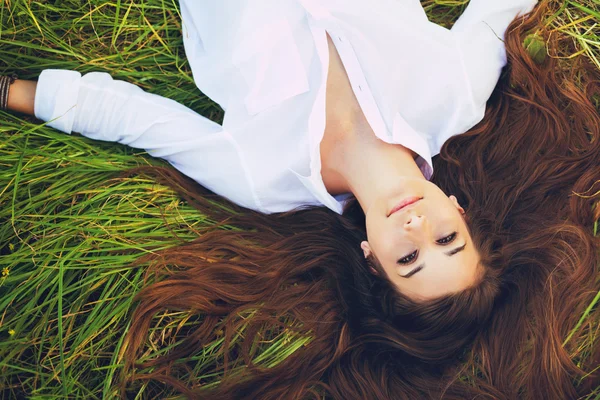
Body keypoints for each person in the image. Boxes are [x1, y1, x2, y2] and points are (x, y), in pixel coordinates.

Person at [3, 0, 599, 398]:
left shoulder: (265, 178)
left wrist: (14, 91)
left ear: (370, 257)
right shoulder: (455, 99)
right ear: (460, 211)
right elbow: (501, 9)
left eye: (408, 259)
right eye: (447, 240)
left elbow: (143, 122)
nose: (417, 228)